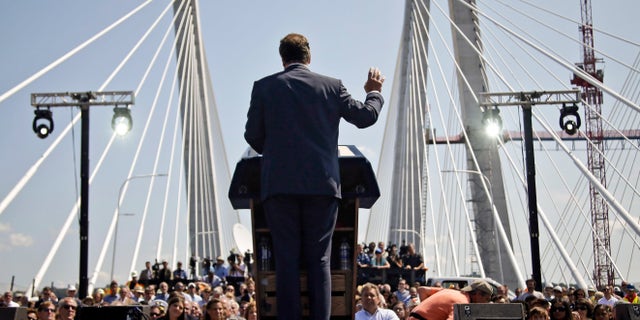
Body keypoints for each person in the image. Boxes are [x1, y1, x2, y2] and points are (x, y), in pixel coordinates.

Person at [243, 33, 384, 320]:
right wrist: (374, 92)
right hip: (322, 187)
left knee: (286, 261)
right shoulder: (332, 87)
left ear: (283, 59)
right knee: (319, 260)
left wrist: (277, 150)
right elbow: (366, 117)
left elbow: (253, 137)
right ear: (309, 57)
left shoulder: (264, 87)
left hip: (279, 188)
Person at [409, 279, 493, 320]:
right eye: (486, 299)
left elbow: (422, 290)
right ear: (478, 294)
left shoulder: (450, 291)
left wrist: (428, 312)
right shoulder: (462, 303)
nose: (487, 303)